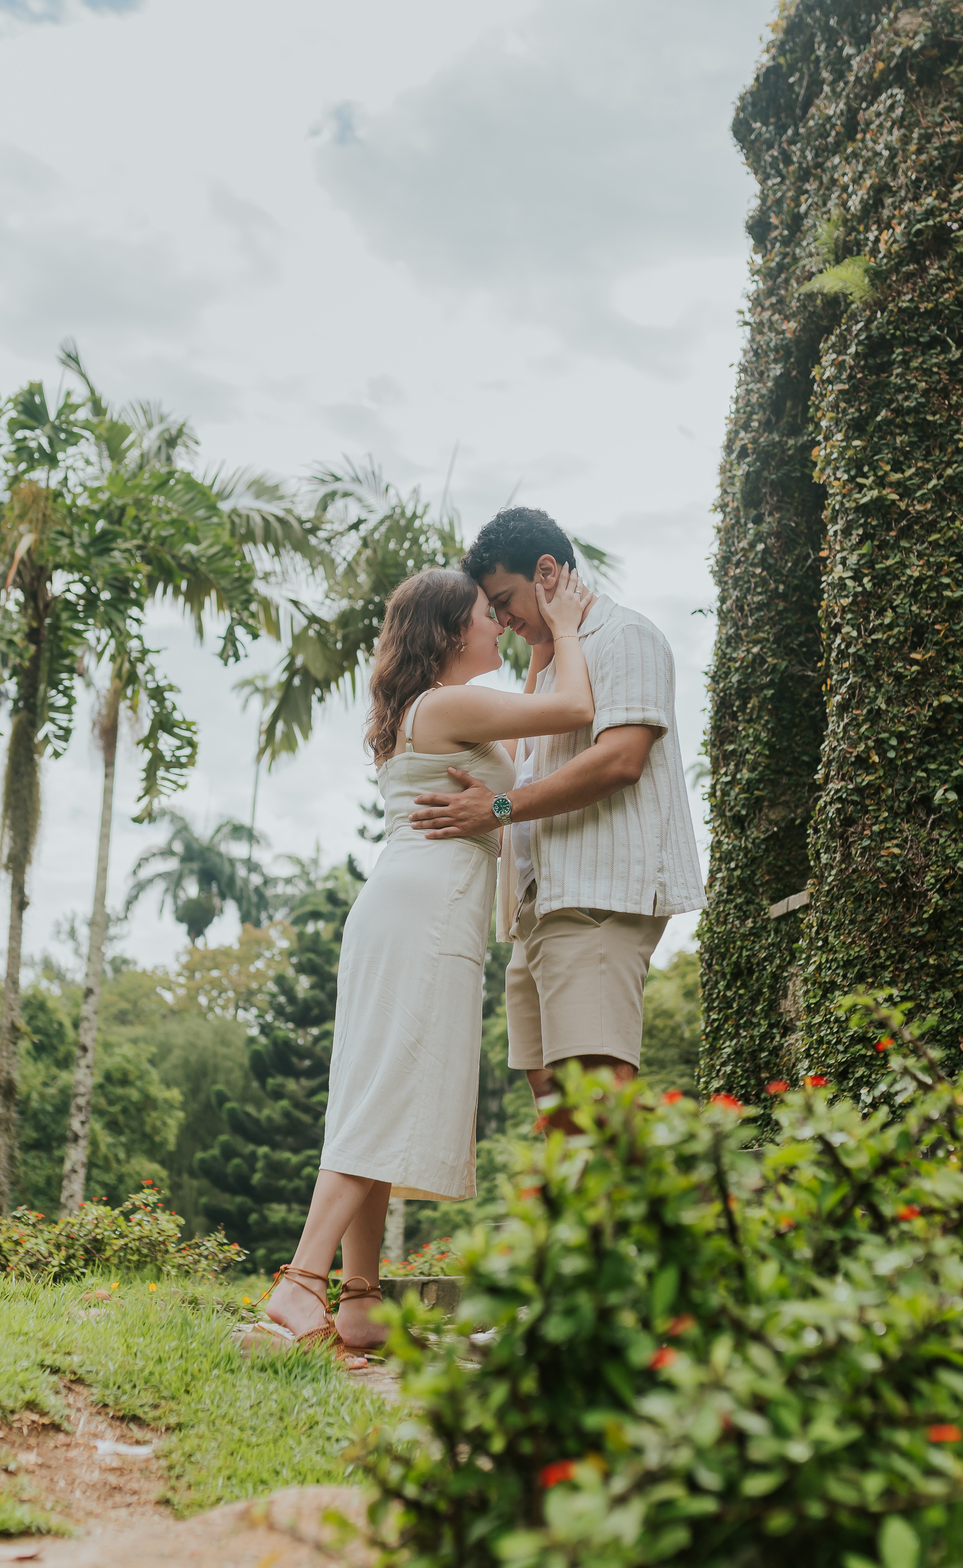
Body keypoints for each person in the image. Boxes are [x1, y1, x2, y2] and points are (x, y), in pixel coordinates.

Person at [258, 561, 592, 1362]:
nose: (498, 626)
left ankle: (362, 1299)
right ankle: (301, 1283)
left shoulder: (430, 710)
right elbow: (574, 708)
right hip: (427, 913)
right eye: (487, 614)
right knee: (386, 1088)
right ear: (450, 632)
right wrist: (568, 626)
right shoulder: (446, 704)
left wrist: (541, 647)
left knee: (379, 1084)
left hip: (406, 904)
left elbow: (535, 717)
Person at [410, 507, 704, 1124]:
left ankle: (623, 1224)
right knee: (558, 1119)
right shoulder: (552, 666)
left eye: (505, 599)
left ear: (547, 570)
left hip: (596, 903)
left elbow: (620, 759)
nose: (502, 618)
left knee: (596, 1111)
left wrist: (495, 807)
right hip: (539, 913)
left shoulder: (627, 637)